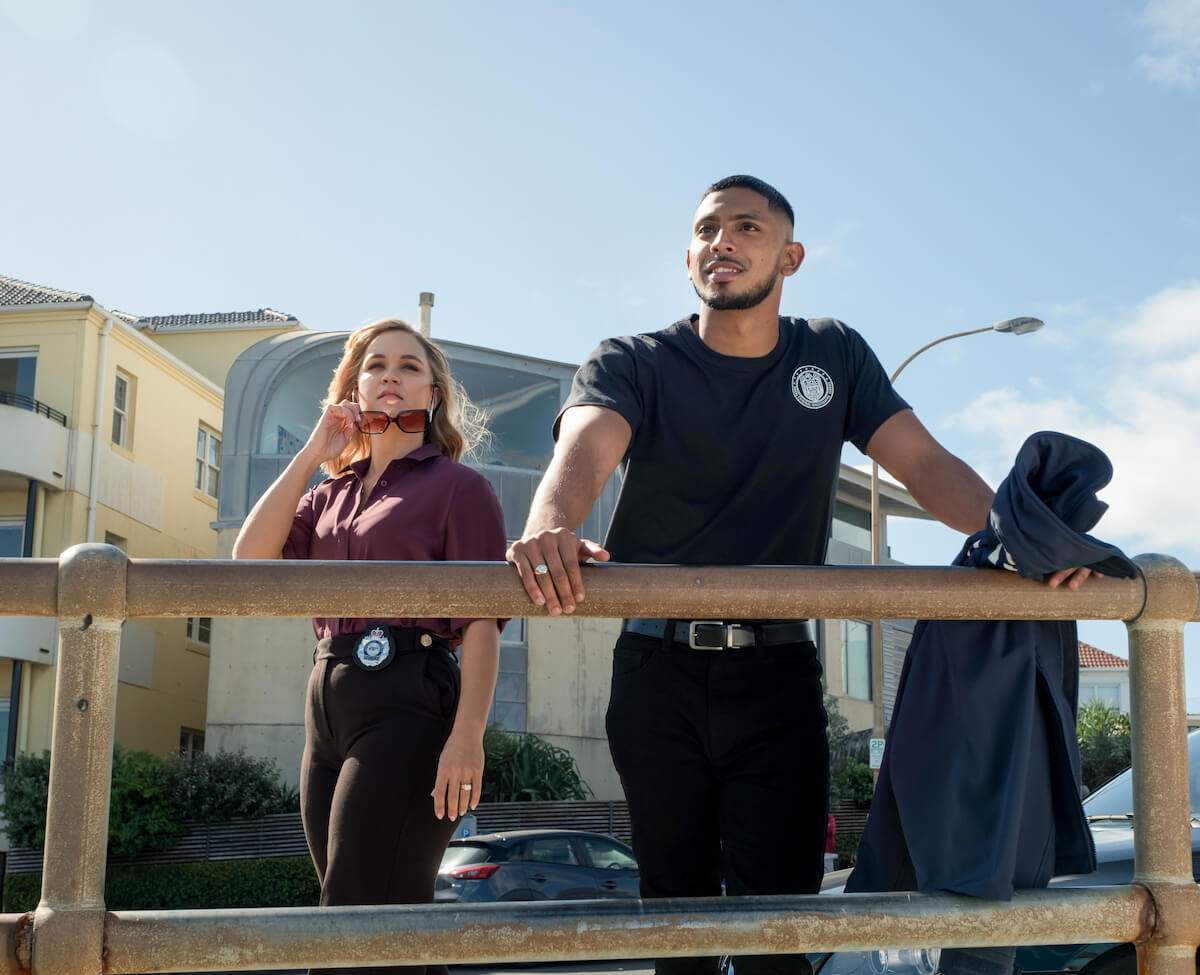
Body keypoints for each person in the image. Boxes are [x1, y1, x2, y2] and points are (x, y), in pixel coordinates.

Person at [506, 175, 1093, 975]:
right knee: (673, 924)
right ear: (688, 258)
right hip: (655, 671)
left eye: (746, 227)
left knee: (780, 931)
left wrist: (1021, 539)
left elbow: (924, 464)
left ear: (790, 256)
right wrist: (550, 525)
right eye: (709, 229)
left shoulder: (834, 354)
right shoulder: (635, 359)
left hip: (777, 670)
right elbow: (585, 445)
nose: (724, 241)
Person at [233, 318, 506, 975]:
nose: (391, 373)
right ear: (353, 385)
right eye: (375, 363)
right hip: (326, 709)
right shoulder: (325, 493)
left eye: (410, 366)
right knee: (375, 923)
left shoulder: (458, 487)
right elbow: (249, 559)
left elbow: (481, 624)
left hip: (408, 700)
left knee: (353, 915)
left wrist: (468, 734)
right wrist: (313, 451)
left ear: (433, 391)